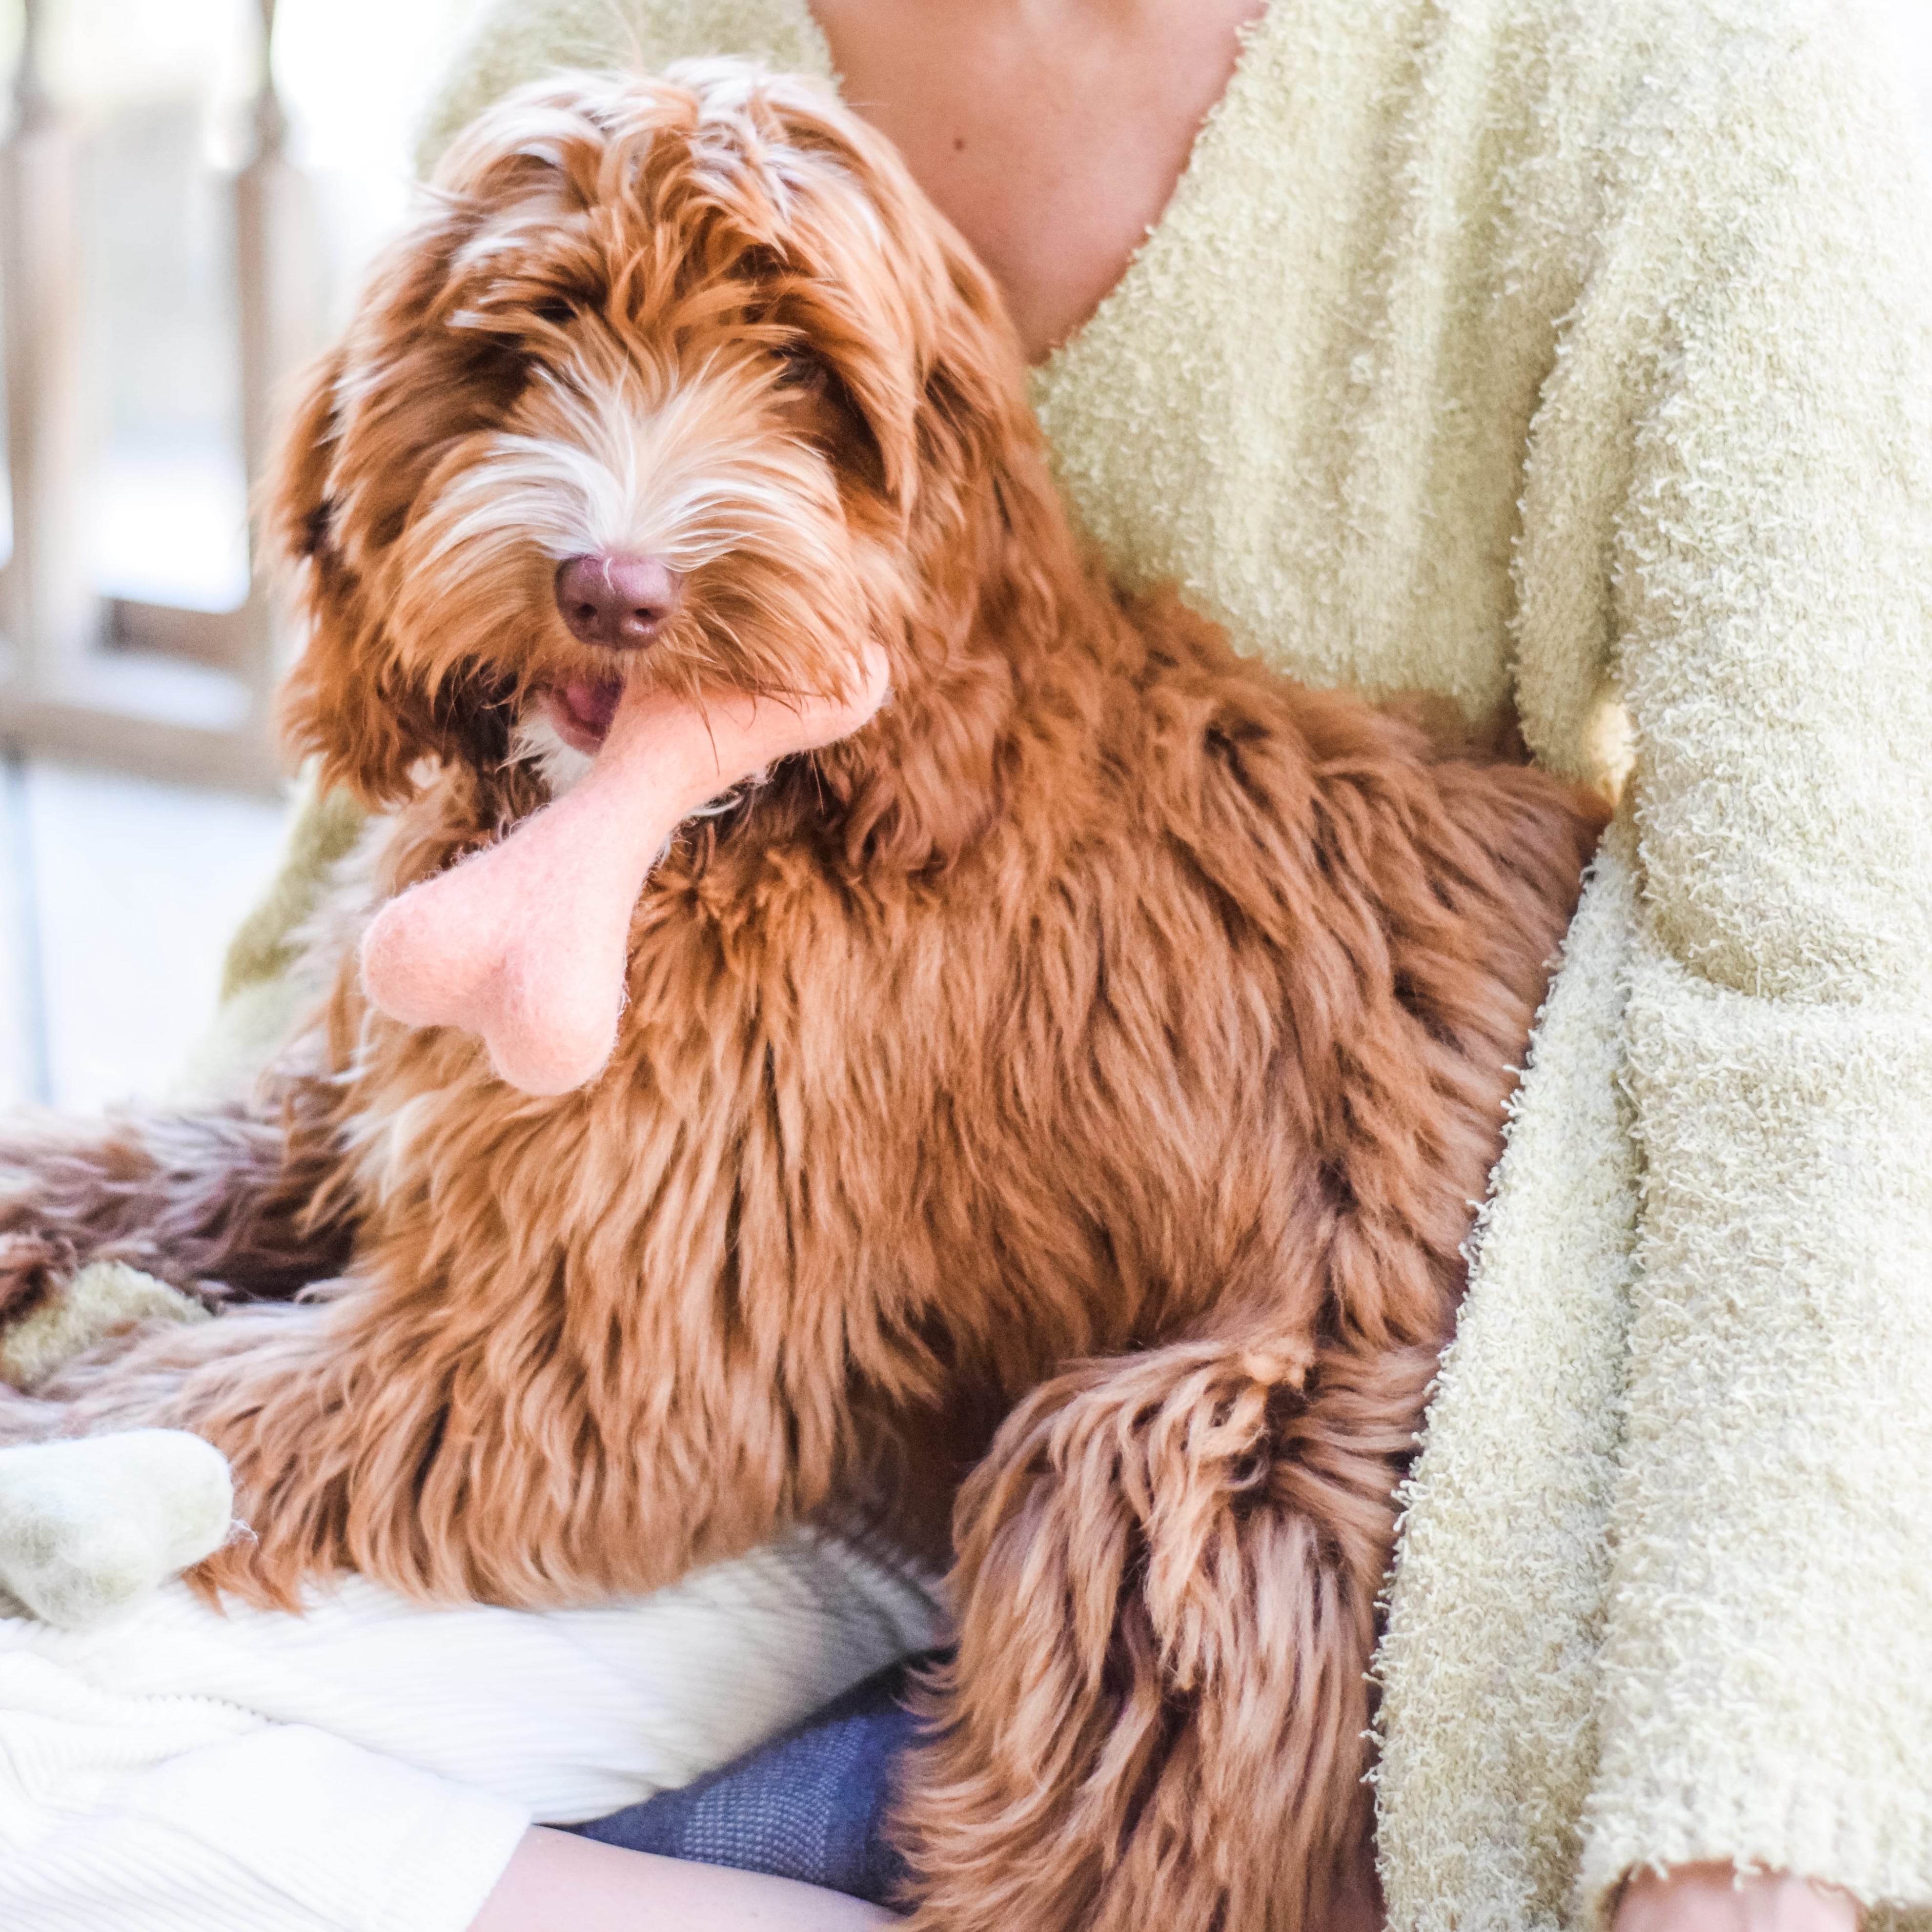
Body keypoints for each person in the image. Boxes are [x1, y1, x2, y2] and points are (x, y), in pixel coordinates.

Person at [193, 0, 1932, 1927]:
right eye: (546, 366)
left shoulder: (1701, 86)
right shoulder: (582, 44)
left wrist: (1741, 1821)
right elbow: (350, 882)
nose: (622, 525)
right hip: (776, 1447)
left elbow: (1838, 989)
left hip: (1278, 1549)